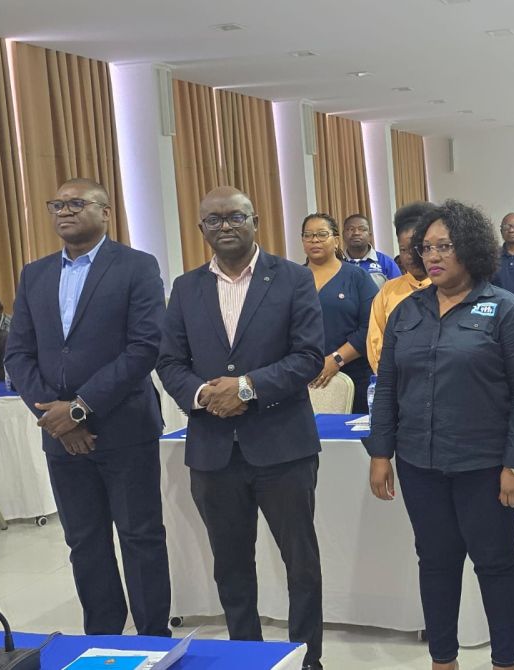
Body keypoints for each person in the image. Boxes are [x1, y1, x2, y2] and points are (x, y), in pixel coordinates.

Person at [365, 200, 514, 670]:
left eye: (444, 246)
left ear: (471, 248)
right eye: (426, 248)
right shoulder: (406, 312)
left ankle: (505, 661)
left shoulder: (507, 311)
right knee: (435, 562)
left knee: (496, 563)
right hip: (419, 464)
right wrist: (381, 453)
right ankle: (443, 660)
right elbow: (388, 387)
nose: (433, 256)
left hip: (485, 467)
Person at [156, 186, 326, 670]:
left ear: (256, 221)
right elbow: (169, 361)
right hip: (213, 450)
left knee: (301, 563)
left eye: (235, 216)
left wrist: (246, 388)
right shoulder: (186, 287)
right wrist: (205, 395)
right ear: (201, 229)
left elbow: (308, 355)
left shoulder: (292, 278)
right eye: (213, 219)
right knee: (230, 566)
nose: (225, 226)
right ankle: (247, 656)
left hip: (283, 446)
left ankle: (306, 658)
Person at [4, 178, 171, 637]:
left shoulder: (137, 266)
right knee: (84, 542)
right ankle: (102, 637)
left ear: (106, 212)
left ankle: (153, 638)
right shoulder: (35, 273)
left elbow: (145, 346)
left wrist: (78, 409)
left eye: (76, 203)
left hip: (124, 429)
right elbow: (18, 353)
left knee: (140, 538)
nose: (65, 211)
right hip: (61, 438)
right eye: (57, 204)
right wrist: (56, 418)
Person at [303, 213, 378, 413]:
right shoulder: (293, 279)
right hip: (303, 377)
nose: (315, 240)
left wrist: (336, 359)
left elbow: (371, 326)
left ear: (336, 240)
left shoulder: (357, 277)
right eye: (308, 235)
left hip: (353, 376)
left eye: (322, 234)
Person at [366, 201, 435, 373]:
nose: (410, 256)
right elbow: (376, 341)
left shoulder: (446, 287)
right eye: (403, 250)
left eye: (416, 248)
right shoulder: (388, 291)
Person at [342, 214, 401, 288]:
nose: (356, 233)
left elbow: (399, 291)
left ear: (370, 235)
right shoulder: (337, 262)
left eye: (362, 229)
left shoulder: (386, 262)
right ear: (343, 235)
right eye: (351, 229)